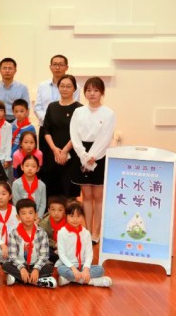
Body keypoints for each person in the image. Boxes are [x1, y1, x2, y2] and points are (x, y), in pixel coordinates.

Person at [70, 77, 116, 243]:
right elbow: (74, 135)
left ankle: (97, 232)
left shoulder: (108, 113)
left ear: (102, 92)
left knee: (98, 196)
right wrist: (83, 155)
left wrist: (93, 156)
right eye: (88, 90)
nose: (92, 94)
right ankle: (88, 231)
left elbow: (106, 137)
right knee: (86, 196)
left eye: (96, 90)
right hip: (81, 154)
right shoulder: (78, 112)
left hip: (100, 155)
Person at [41, 74, 83, 199]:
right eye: (62, 86)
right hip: (52, 154)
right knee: (51, 190)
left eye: (68, 86)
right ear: (58, 87)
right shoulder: (52, 106)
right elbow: (46, 129)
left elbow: (79, 133)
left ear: (74, 88)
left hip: (71, 155)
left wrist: (65, 151)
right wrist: (54, 149)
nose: (65, 89)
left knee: (69, 192)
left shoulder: (80, 109)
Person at [56, 201, 112, 287]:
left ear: (83, 216)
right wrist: (73, 269)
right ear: (66, 216)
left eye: (78, 216)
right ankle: (92, 281)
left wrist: (86, 269)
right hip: (67, 266)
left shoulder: (86, 233)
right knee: (60, 269)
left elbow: (89, 254)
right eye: (72, 216)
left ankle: (69, 279)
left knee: (100, 269)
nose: (75, 219)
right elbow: (61, 254)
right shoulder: (62, 233)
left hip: (82, 265)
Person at [3, 199, 56, 288]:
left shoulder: (42, 233)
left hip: (35, 264)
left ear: (36, 215)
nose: (27, 216)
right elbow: (12, 255)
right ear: (18, 217)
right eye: (23, 213)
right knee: (6, 266)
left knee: (50, 268)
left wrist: (36, 269)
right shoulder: (14, 233)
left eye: (30, 213)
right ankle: (37, 281)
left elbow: (44, 255)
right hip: (20, 265)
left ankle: (18, 279)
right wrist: (22, 268)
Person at [34, 54, 80, 126]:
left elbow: (74, 107)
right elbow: (38, 107)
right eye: (55, 64)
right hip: (45, 125)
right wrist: (47, 120)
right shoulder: (42, 86)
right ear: (50, 67)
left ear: (67, 67)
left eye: (61, 65)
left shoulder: (74, 86)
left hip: (65, 126)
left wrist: (58, 121)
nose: (57, 67)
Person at [0, 57, 30, 123]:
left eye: (10, 68)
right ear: (0, 71)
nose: (7, 71)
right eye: (4, 68)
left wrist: (19, 123)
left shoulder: (23, 88)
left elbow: (27, 108)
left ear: (15, 71)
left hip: (17, 120)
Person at [38, 195, 67, 263]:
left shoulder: (69, 221)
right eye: (53, 210)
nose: (56, 213)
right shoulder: (44, 224)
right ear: (49, 210)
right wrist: (55, 244)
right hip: (53, 247)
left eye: (60, 210)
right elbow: (44, 239)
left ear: (65, 211)